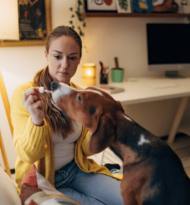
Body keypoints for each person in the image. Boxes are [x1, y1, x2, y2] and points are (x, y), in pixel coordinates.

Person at [10, 25, 124, 205]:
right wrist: (36, 121)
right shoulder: (26, 94)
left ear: (79, 60)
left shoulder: (81, 95)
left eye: (72, 58)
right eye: (57, 56)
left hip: (78, 170)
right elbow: (28, 155)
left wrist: (101, 130)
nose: (65, 65)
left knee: (131, 200)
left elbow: (85, 149)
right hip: (42, 180)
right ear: (46, 54)